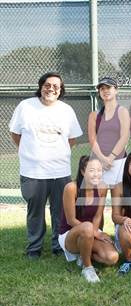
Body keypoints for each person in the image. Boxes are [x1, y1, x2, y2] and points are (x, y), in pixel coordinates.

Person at [9, 72, 82, 259]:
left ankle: (58, 246)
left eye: (56, 86)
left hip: (60, 171)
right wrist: (31, 152)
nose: (51, 89)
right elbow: (16, 134)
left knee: (60, 211)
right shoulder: (25, 107)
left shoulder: (66, 110)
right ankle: (34, 249)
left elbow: (71, 139)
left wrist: (55, 153)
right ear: (41, 86)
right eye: (47, 85)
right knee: (35, 212)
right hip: (33, 171)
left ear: (60, 91)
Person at [58, 156, 119, 283]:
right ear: (82, 172)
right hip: (70, 234)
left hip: (91, 231)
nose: (96, 174)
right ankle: (87, 267)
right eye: (91, 170)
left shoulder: (102, 187)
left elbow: (97, 216)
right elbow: (71, 220)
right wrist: (94, 232)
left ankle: (84, 255)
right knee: (87, 227)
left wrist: (96, 231)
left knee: (112, 258)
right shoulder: (71, 188)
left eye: (99, 170)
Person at [88, 77, 130, 192]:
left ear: (116, 90)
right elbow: (92, 139)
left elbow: (124, 137)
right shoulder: (94, 115)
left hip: (118, 162)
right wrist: (102, 159)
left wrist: (110, 158)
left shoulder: (122, 111)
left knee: (118, 205)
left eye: (108, 87)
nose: (105, 90)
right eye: (102, 88)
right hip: (99, 163)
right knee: (98, 202)